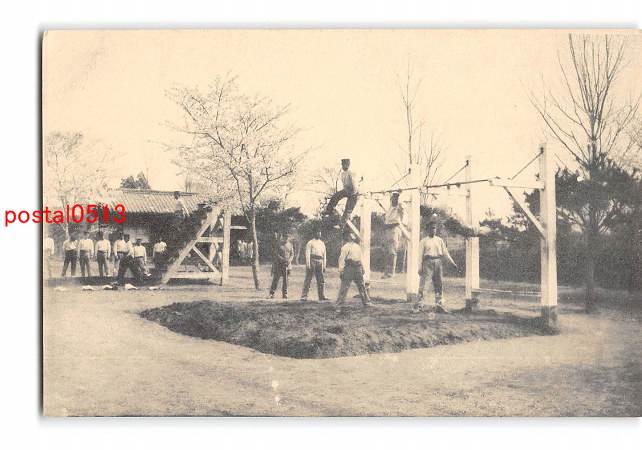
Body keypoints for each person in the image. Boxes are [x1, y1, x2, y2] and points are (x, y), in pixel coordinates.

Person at [414, 215, 459, 314]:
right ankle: (419, 306)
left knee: (439, 285)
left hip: (438, 262)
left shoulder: (439, 240)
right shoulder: (423, 241)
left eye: (434, 228)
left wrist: (452, 263)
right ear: (427, 230)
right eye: (431, 228)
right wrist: (419, 268)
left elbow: (445, 253)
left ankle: (439, 305)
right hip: (427, 263)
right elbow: (420, 255)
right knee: (424, 285)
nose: (433, 230)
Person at [336, 230, 373, 307]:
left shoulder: (357, 246)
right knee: (345, 286)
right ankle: (340, 302)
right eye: (350, 236)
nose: (352, 237)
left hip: (358, 267)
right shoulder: (345, 247)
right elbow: (341, 259)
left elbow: (361, 258)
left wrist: (362, 268)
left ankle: (366, 302)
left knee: (361, 285)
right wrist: (341, 270)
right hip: (349, 268)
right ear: (347, 237)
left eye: (353, 236)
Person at [323, 158, 361, 226]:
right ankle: (328, 210)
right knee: (336, 195)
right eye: (342, 165)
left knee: (348, 209)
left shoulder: (351, 172)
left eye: (344, 165)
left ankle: (341, 224)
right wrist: (345, 192)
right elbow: (344, 185)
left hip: (354, 192)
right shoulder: (343, 174)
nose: (343, 166)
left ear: (348, 165)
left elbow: (354, 185)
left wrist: (352, 193)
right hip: (347, 190)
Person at [300, 227, 329, 302]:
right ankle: (304, 296)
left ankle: (321, 296)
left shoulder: (322, 243)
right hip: (312, 260)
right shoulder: (310, 242)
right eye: (317, 232)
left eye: (320, 232)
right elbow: (307, 253)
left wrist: (324, 265)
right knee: (308, 279)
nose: (319, 233)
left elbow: (324, 255)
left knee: (321, 280)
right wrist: (308, 264)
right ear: (314, 233)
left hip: (320, 261)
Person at [383, 191, 405, 278]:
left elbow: (402, 208)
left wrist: (399, 194)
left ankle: (391, 272)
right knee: (387, 251)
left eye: (395, 198)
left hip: (394, 229)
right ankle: (387, 272)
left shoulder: (399, 207)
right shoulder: (390, 207)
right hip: (388, 229)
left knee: (392, 252)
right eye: (393, 198)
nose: (393, 200)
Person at [268, 234, 294, 299]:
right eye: (285, 237)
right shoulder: (278, 244)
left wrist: (289, 260)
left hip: (287, 265)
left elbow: (292, 254)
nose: (286, 239)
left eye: (287, 237)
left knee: (286, 280)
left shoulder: (290, 245)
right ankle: (271, 293)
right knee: (276, 279)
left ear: (289, 238)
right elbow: (276, 254)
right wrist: (282, 259)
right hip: (279, 264)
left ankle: (285, 294)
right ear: (282, 237)